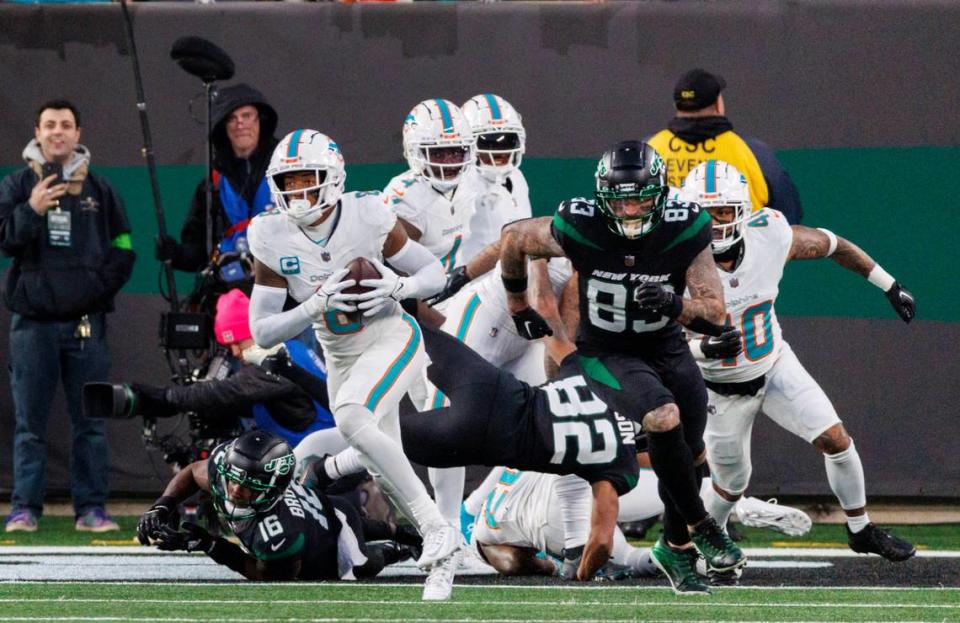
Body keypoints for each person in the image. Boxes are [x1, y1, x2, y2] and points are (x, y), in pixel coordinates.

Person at [498, 140, 745, 595]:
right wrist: (517, 307)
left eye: (641, 198)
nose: (631, 210)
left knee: (688, 454)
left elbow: (714, 312)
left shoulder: (685, 227)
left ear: (661, 194)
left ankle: (675, 549)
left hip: (667, 347)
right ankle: (701, 524)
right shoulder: (580, 225)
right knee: (661, 417)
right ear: (602, 198)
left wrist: (676, 305)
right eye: (621, 199)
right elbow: (513, 238)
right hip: (606, 352)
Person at [245, 129, 459, 601]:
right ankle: (445, 560)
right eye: (290, 181)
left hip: (390, 335)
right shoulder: (269, 233)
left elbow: (434, 273)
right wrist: (313, 306)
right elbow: (262, 331)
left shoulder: (367, 214)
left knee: (352, 417)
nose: (299, 192)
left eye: (309, 179)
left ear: (334, 177)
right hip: (339, 353)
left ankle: (434, 527)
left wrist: (397, 288)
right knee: (377, 457)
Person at [678, 160, 916, 563]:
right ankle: (701, 548)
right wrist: (703, 351)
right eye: (704, 212)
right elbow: (656, 340)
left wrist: (889, 284)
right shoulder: (671, 261)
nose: (714, 223)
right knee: (729, 484)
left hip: (773, 366)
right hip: (719, 388)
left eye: (722, 211)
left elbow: (832, 244)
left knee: (835, 439)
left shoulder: (769, 236)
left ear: (742, 212)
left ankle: (860, 529)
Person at [299, 321, 641, 581]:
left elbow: (556, 344)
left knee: (405, 325)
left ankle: (340, 322)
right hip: (484, 436)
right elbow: (598, 543)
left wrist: (531, 317)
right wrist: (579, 573)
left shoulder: (597, 378)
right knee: (384, 440)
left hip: (491, 387)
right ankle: (326, 470)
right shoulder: (621, 461)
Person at [0, 100, 135, 533]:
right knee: (29, 425)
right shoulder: (18, 185)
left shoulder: (100, 189)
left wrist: (94, 292)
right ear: (37, 132)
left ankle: (91, 510)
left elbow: (125, 247)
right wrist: (31, 210)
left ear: (78, 133)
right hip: (32, 325)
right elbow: (4, 240)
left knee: (91, 424)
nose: (58, 132)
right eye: (49, 125)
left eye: (66, 125)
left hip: (85, 324)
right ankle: (25, 510)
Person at [382, 98, 478, 536]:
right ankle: (446, 524)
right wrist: (441, 320)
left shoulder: (468, 185)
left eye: (456, 151)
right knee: (385, 429)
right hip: (396, 312)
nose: (449, 161)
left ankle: (449, 522)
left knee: (428, 421)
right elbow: (394, 281)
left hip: (438, 307)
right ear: (414, 152)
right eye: (437, 152)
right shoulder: (408, 201)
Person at [136, 430, 416, 581]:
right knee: (344, 509)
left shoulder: (280, 534)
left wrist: (210, 545)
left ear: (271, 490)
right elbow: (192, 471)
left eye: (248, 485)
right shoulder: (226, 473)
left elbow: (262, 574)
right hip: (321, 506)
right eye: (232, 478)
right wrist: (162, 506)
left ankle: (401, 549)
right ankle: (405, 533)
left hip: (330, 536)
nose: (234, 489)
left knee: (358, 564)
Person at [103, 288, 335, 449]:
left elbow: (226, 392)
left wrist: (166, 398)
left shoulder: (280, 359)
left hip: (320, 459)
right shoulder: (294, 348)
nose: (235, 352)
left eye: (239, 342)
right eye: (228, 345)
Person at [648, 68, 803, 224]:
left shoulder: (649, 151)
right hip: (743, 247)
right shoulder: (754, 153)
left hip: (669, 247)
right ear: (718, 104)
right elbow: (788, 218)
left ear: (676, 105)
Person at [156, 83, 279, 272]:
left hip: (284, 280)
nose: (240, 124)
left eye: (246, 116)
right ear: (224, 127)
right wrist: (177, 254)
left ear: (260, 120)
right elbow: (199, 251)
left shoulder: (287, 169)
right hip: (233, 284)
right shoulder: (211, 184)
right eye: (232, 118)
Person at [473, 467, 658, 580]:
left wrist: (550, 567)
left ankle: (677, 555)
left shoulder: (487, 533)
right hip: (577, 479)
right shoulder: (490, 512)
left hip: (553, 510)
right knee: (673, 487)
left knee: (629, 559)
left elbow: (511, 564)